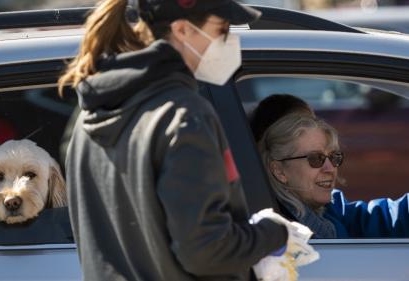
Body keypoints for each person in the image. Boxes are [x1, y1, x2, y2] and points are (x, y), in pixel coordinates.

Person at [59, 0, 291, 280]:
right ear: (182, 29)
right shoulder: (184, 116)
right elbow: (206, 251)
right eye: (222, 30)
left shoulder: (86, 117)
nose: (230, 41)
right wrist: (274, 233)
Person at [255, 98, 409, 238]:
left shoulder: (327, 208)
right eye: (315, 159)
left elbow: (376, 219)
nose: (330, 168)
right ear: (279, 171)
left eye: (333, 157)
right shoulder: (282, 237)